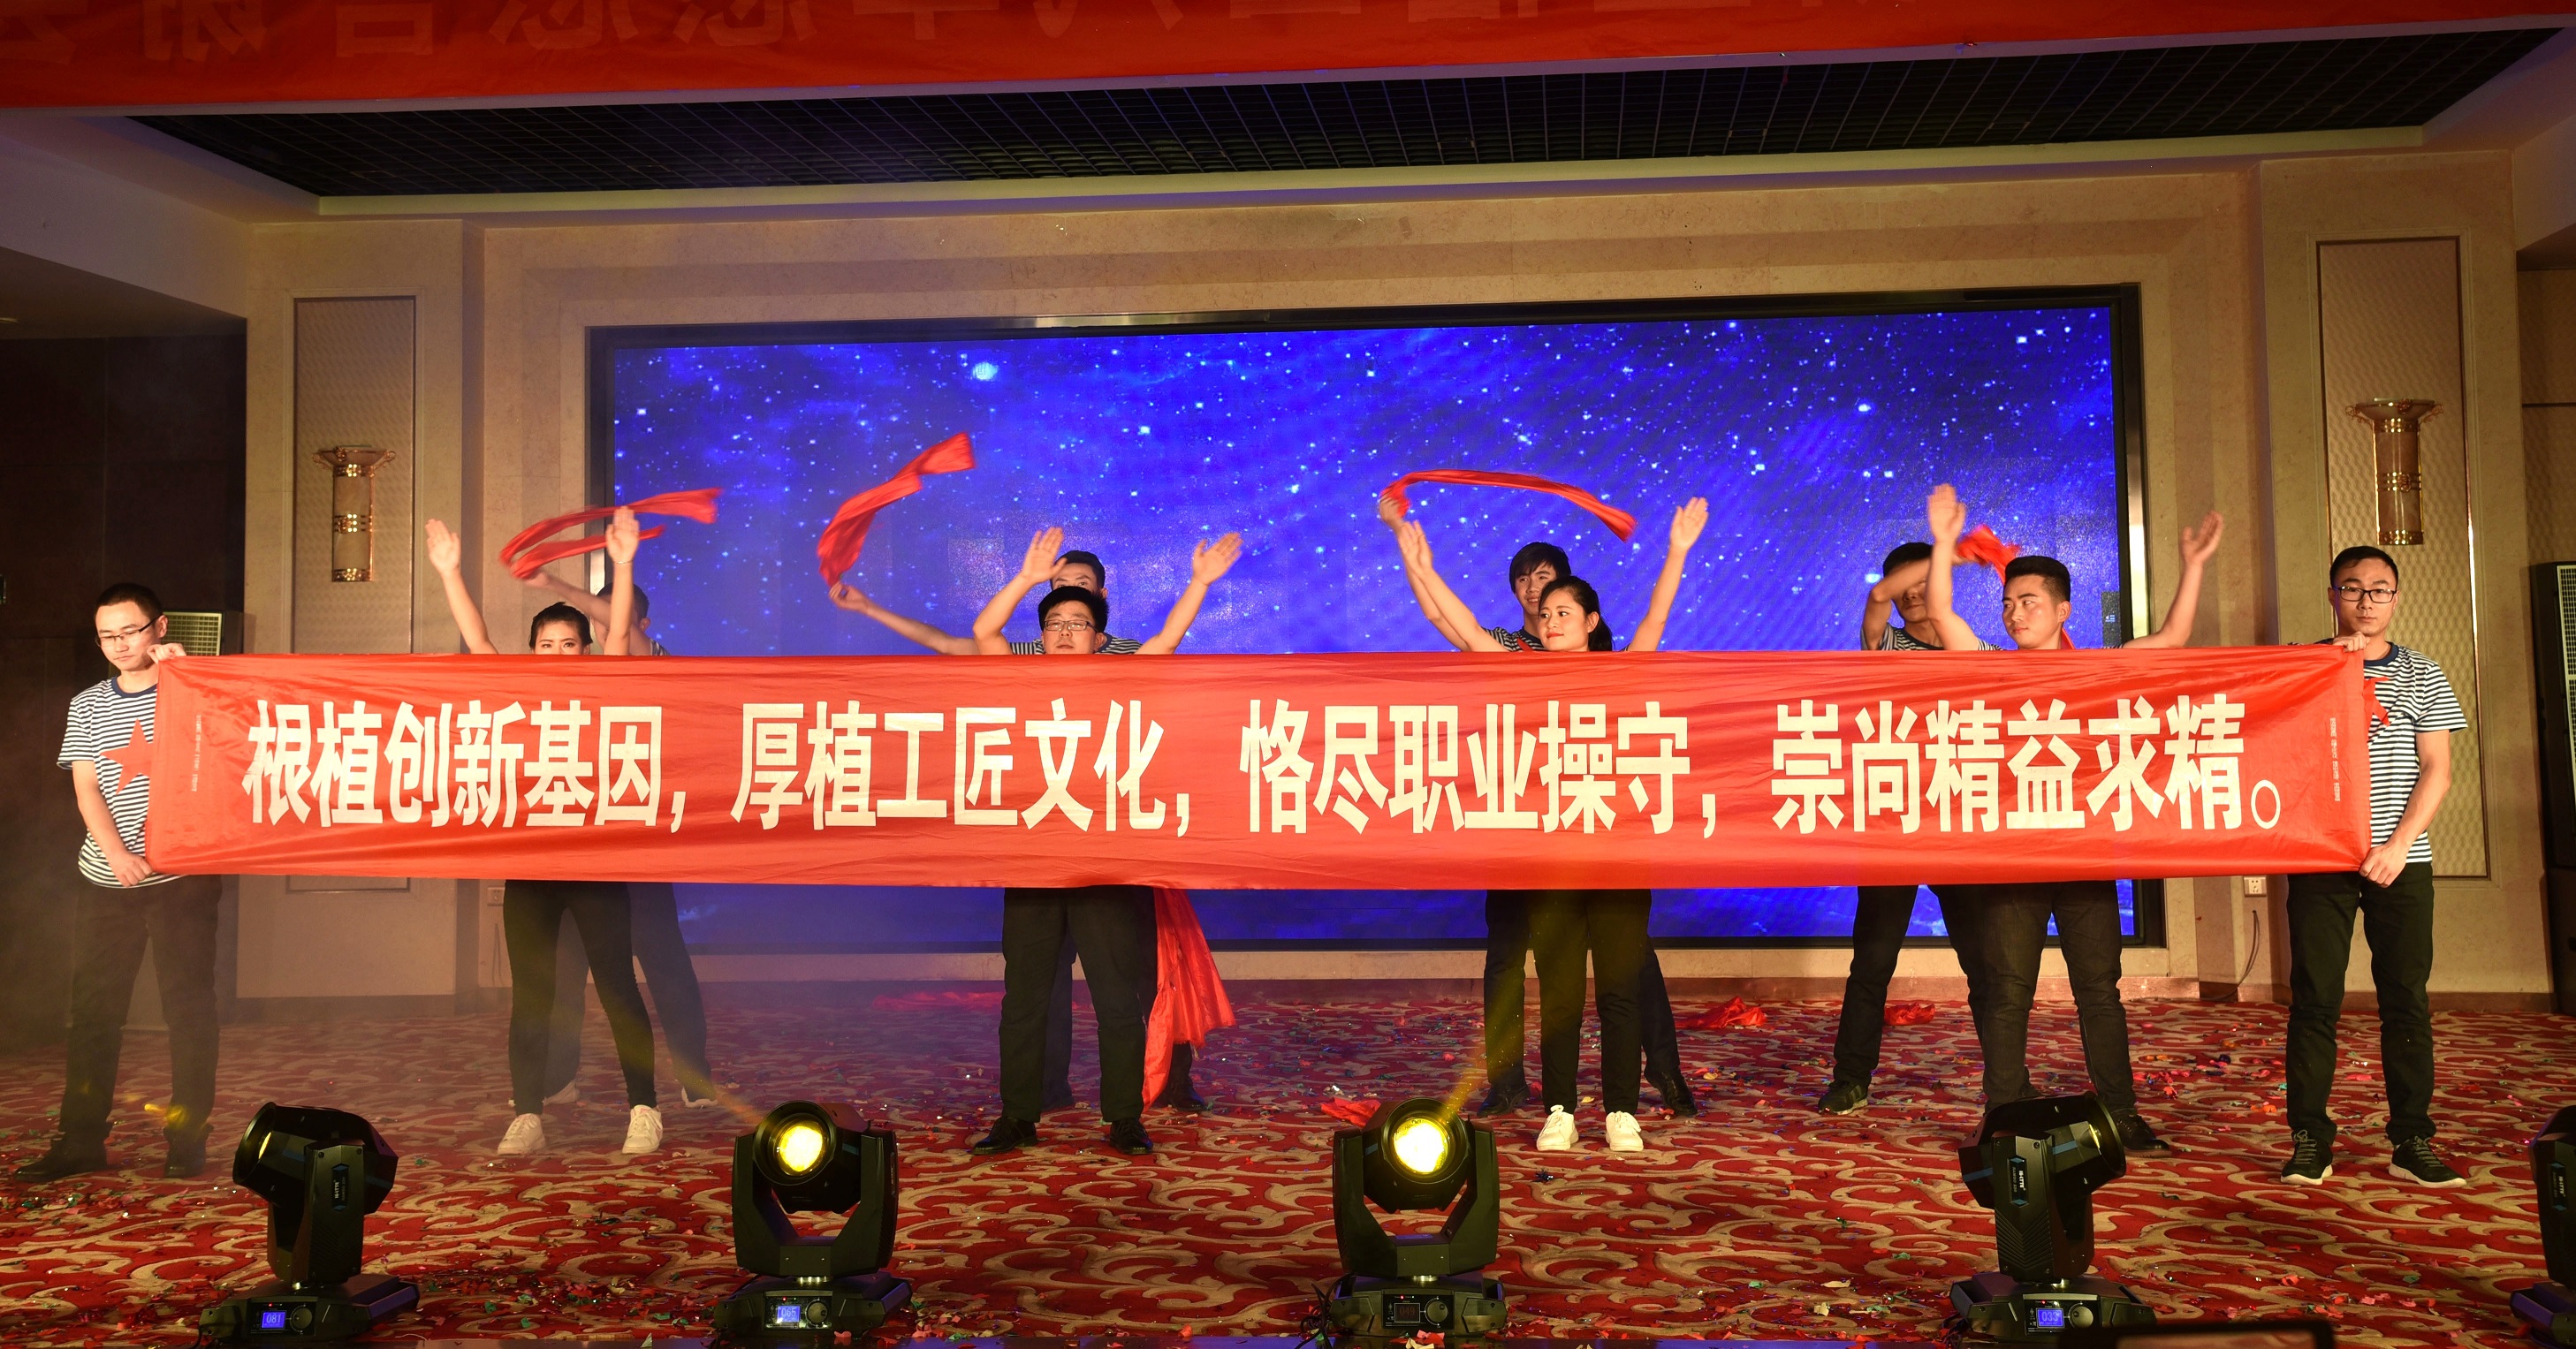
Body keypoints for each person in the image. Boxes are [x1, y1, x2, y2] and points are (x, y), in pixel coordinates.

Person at [834, 534, 1219, 1112]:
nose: (1065, 613)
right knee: (1036, 983)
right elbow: (961, 642)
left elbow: (1167, 643)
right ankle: (1037, 1097)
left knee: (1131, 976)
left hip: (1109, 840)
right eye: (1054, 596)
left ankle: (1151, 1093)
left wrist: (1199, 583)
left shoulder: (1121, 659)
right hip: (1038, 842)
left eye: (1078, 598)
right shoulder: (1026, 658)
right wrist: (872, 608)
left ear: (1100, 609)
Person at [1391, 497, 1708, 1154]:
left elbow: (1655, 619)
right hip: (1549, 856)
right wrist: (1421, 563)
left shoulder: (1619, 672)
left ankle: (1620, 1111)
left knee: (1618, 991)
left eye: (1564, 611)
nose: (1550, 619)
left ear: (1591, 622)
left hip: (1616, 853)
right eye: (1545, 613)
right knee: (1560, 994)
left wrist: (1677, 549)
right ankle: (1559, 1109)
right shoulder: (1521, 670)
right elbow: (1463, 627)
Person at [1919, 484, 2223, 1153]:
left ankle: (2122, 1113)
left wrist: (2195, 565)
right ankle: (2003, 1112)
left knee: (2098, 990)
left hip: (2085, 855)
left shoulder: (2095, 668)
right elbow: (1940, 612)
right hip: (2014, 858)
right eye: (2007, 602)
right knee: (2007, 991)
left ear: (2062, 610)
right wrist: (1942, 542)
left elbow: (2173, 639)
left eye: (2028, 602)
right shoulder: (1992, 669)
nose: (2013, 613)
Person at [970, 542, 1241, 1159]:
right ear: (1041, 638)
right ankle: (1017, 1116)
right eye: (1054, 624)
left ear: (1100, 639)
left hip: (1107, 860)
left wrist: (1199, 582)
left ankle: (1123, 1117)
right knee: (1025, 999)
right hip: (1034, 859)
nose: (1066, 633)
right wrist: (1026, 577)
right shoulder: (1021, 676)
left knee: (1117, 999)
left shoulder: (1122, 674)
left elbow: (1167, 640)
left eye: (1079, 623)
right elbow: (984, 632)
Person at [429, 513, 666, 1156]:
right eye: (546, 644)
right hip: (532, 863)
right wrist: (450, 572)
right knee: (531, 997)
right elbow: (477, 638)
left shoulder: (604, 682)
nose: (557, 654)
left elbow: (621, 628)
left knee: (616, 987)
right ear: (532, 650)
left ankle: (643, 1108)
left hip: (595, 861)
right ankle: (527, 1114)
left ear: (585, 652)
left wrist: (623, 563)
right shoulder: (517, 690)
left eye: (568, 645)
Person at [14, 585, 223, 1182]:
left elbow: (228, 752)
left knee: (189, 1008)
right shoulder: (88, 704)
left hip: (184, 876)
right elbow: (87, 788)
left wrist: (189, 679)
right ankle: (80, 1139)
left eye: (130, 631)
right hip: (106, 877)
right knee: (93, 1013)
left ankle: (187, 1136)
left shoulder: (194, 688)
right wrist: (117, 854)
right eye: (107, 636)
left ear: (160, 627)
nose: (120, 644)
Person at [2277, 546, 2467, 1188]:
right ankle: (2309, 1137)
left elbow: (2437, 770)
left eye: (2379, 589)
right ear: (2332, 594)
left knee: (2405, 1000)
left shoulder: (2421, 672)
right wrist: (2324, 664)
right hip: (2320, 857)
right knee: (2314, 1000)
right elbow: (2272, 749)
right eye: (2352, 588)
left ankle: (2412, 1138)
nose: (2366, 600)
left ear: (2395, 598)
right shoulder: (2300, 664)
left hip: (2400, 859)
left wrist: (2398, 844)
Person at [517, 549, 719, 1113]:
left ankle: (692, 1076)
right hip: (577, 851)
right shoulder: (564, 684)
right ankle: (557, 1077)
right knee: (566, 971)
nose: (606, 633)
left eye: (611, 621)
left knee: (664, 964)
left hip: (639, 845)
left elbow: (622, 631)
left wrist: (558, 584)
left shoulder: (654, 662)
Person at [1818, 541, 1995, 1116]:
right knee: (1872, 962)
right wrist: (1948, 552)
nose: (1914, 592)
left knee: (1983, 963)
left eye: (1926, 580)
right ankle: (1850, 1078)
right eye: (1906, 582)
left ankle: (2006, 1081)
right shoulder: (1884, 645)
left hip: (1957, 824)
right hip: (1892, 824)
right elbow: (1876, 597)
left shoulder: (1973, 649)